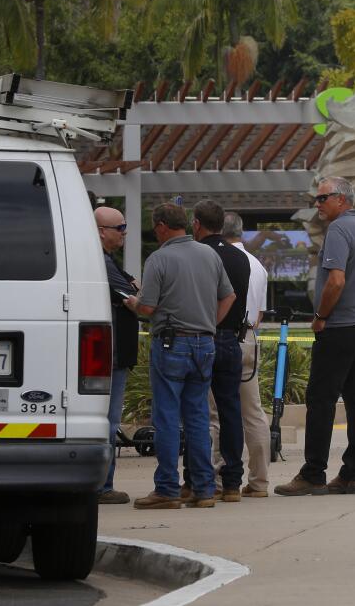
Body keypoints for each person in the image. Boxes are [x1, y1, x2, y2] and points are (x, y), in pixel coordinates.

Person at [274, 177, 355, 497]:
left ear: (341, 199)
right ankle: (353, 475)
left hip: (340, 326)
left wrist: (321, 317)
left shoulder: (339, 230)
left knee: (321, 399)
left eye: (322, 198)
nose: (317, 204)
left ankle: (313, 473)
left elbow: (336, 281)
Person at [125, 203, 235, 510]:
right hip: (204, 344)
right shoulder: (209, 254)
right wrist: (210, 324)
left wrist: (133, 301)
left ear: (161, 226)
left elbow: (147, 309)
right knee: (198, 417)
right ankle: (203, 488)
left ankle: (167, 489)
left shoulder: (159, 259)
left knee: (167, 418)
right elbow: (229, 295)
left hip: (171, 343)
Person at [179, 200, 250, 503]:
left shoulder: (196, 256)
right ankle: (233, 480)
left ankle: (195, 478)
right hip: (232, 339)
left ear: (196, 224)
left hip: (202, 335)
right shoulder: (240, 258)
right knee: (231, 410)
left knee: (197, 411)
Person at [217, 211, 272, 498]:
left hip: (222, 336)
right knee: (253, 412)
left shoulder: (219, 259)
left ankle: (216, 480)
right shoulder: (258, 265)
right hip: (248, 336)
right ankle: (260, 480)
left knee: (216, 412)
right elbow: (259, 314)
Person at [95, 206, 139, 505]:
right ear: (101, 231)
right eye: (119, 227)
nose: (124, 233)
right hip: (111, 355)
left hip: (109, 353)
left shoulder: (107, 261)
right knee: (108, 421)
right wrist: (134, 291)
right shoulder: (101, 262)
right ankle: (103, 485)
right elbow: (135, 296)